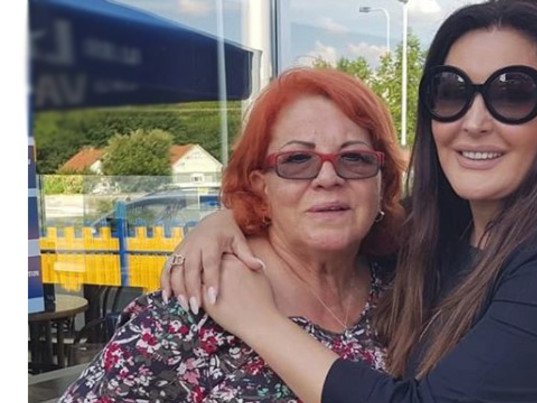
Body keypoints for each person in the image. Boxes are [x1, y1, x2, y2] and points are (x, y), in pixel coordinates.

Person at [160, 0, 537, 401]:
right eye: (451, 92)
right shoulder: (428, 240)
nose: (474, 122)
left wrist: (258, 320)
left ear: (381, 178)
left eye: (514, 95)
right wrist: (220, 224)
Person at [59, 67, 407, 401]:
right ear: (261, 185)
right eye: (297, 159)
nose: (328, 178)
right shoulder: (198, 305)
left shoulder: (407, 288)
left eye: (355, 158)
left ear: (383, 180)